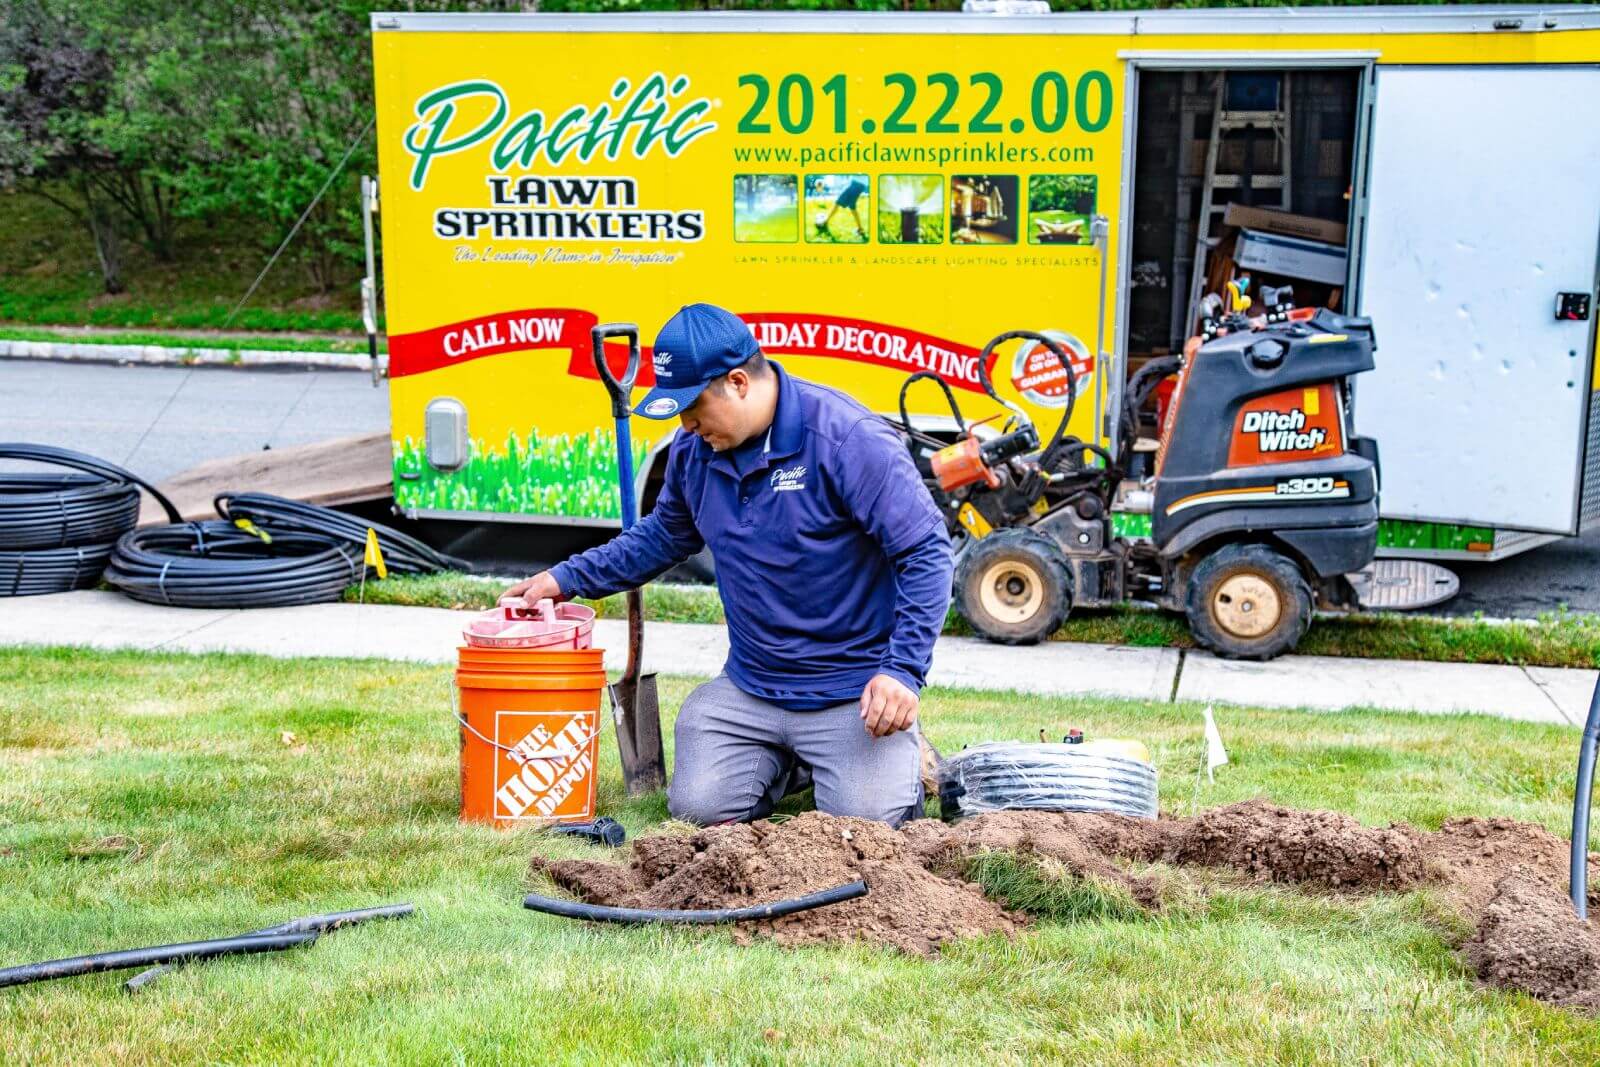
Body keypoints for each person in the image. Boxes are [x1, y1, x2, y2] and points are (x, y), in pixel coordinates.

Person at [505, 303, 951, 827]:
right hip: (752, 687)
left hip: (850, 691)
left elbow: (926, 552)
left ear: (738, 382)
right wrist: (566, 578)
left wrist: (901, 671)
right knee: (697, 809)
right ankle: (791, 762)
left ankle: (893, 754)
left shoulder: (848, 440)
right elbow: (663, 536)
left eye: (693, 407)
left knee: (866, 825)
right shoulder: (695, 451)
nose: (685, 425)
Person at [816, 176, 868, 241]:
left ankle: (825, 223)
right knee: (852, 207)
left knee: (838, 202)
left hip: (856, 183)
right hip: (860, 184)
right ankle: (860, 229)